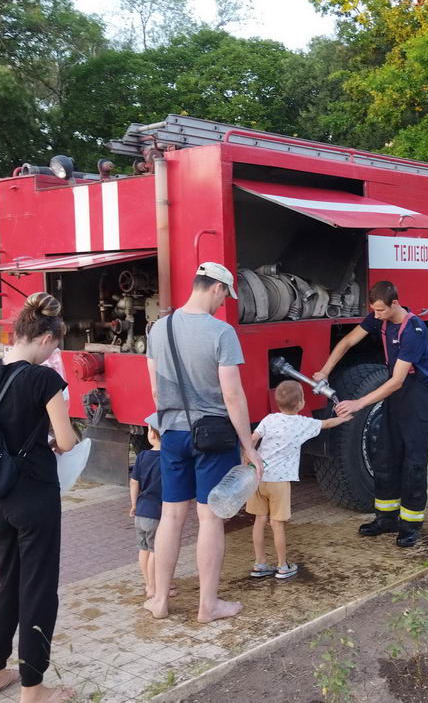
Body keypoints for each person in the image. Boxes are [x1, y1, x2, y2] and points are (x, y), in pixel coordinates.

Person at [144, 262, 264, 623]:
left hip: (172, 433)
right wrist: (249, 446)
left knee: (171, 516)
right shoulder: (221, 332)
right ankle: (207, 605)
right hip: (211, 435)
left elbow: (153, 389)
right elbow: (232, 395)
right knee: (210, 518)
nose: (223, 301)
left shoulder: (158, 329)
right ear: (215, 288)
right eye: (225, 293)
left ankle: (160, 600)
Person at [0, 292, 78, 703]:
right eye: (55, 344)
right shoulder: (44, 379)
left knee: (9, 583)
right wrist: (53, 441)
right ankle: (34, 689)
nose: (54, 352)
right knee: (38, 588)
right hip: (34, 495)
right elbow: (68, 440)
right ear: (44, 338)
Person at [314, 280, 428, 548]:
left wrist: (359, 403)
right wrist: (325, 370)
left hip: (417, 397)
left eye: (380, 311)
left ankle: (411, 525)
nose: (376, 315)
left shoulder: (413, 329)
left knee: (414, 464)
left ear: (394, 303)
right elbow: (347, 341)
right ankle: (386, 518)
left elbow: (398, 380)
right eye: (374, 310)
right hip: (395, 397)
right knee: (385, 457)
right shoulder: (379, 317)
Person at [246, 381, 352, 579]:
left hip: (258, 477)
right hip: (280, 481)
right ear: (301, 403)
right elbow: (326, 424)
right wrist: (344, 419)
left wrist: (247, 459)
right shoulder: (302, 424)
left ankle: (260, 563)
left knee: (259, 520)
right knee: (277, 524)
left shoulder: (269, 419)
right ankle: (282, 566)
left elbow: (252, 439)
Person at [129, 424, 163, 598]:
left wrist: (134, 504)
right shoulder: (168, 459)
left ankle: (148, 584)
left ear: (152, 434)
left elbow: (134, 482)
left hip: (141, 511)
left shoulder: (142, 456)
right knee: (155, 551)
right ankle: (154, 587)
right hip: (156, 513)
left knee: (143, 549)